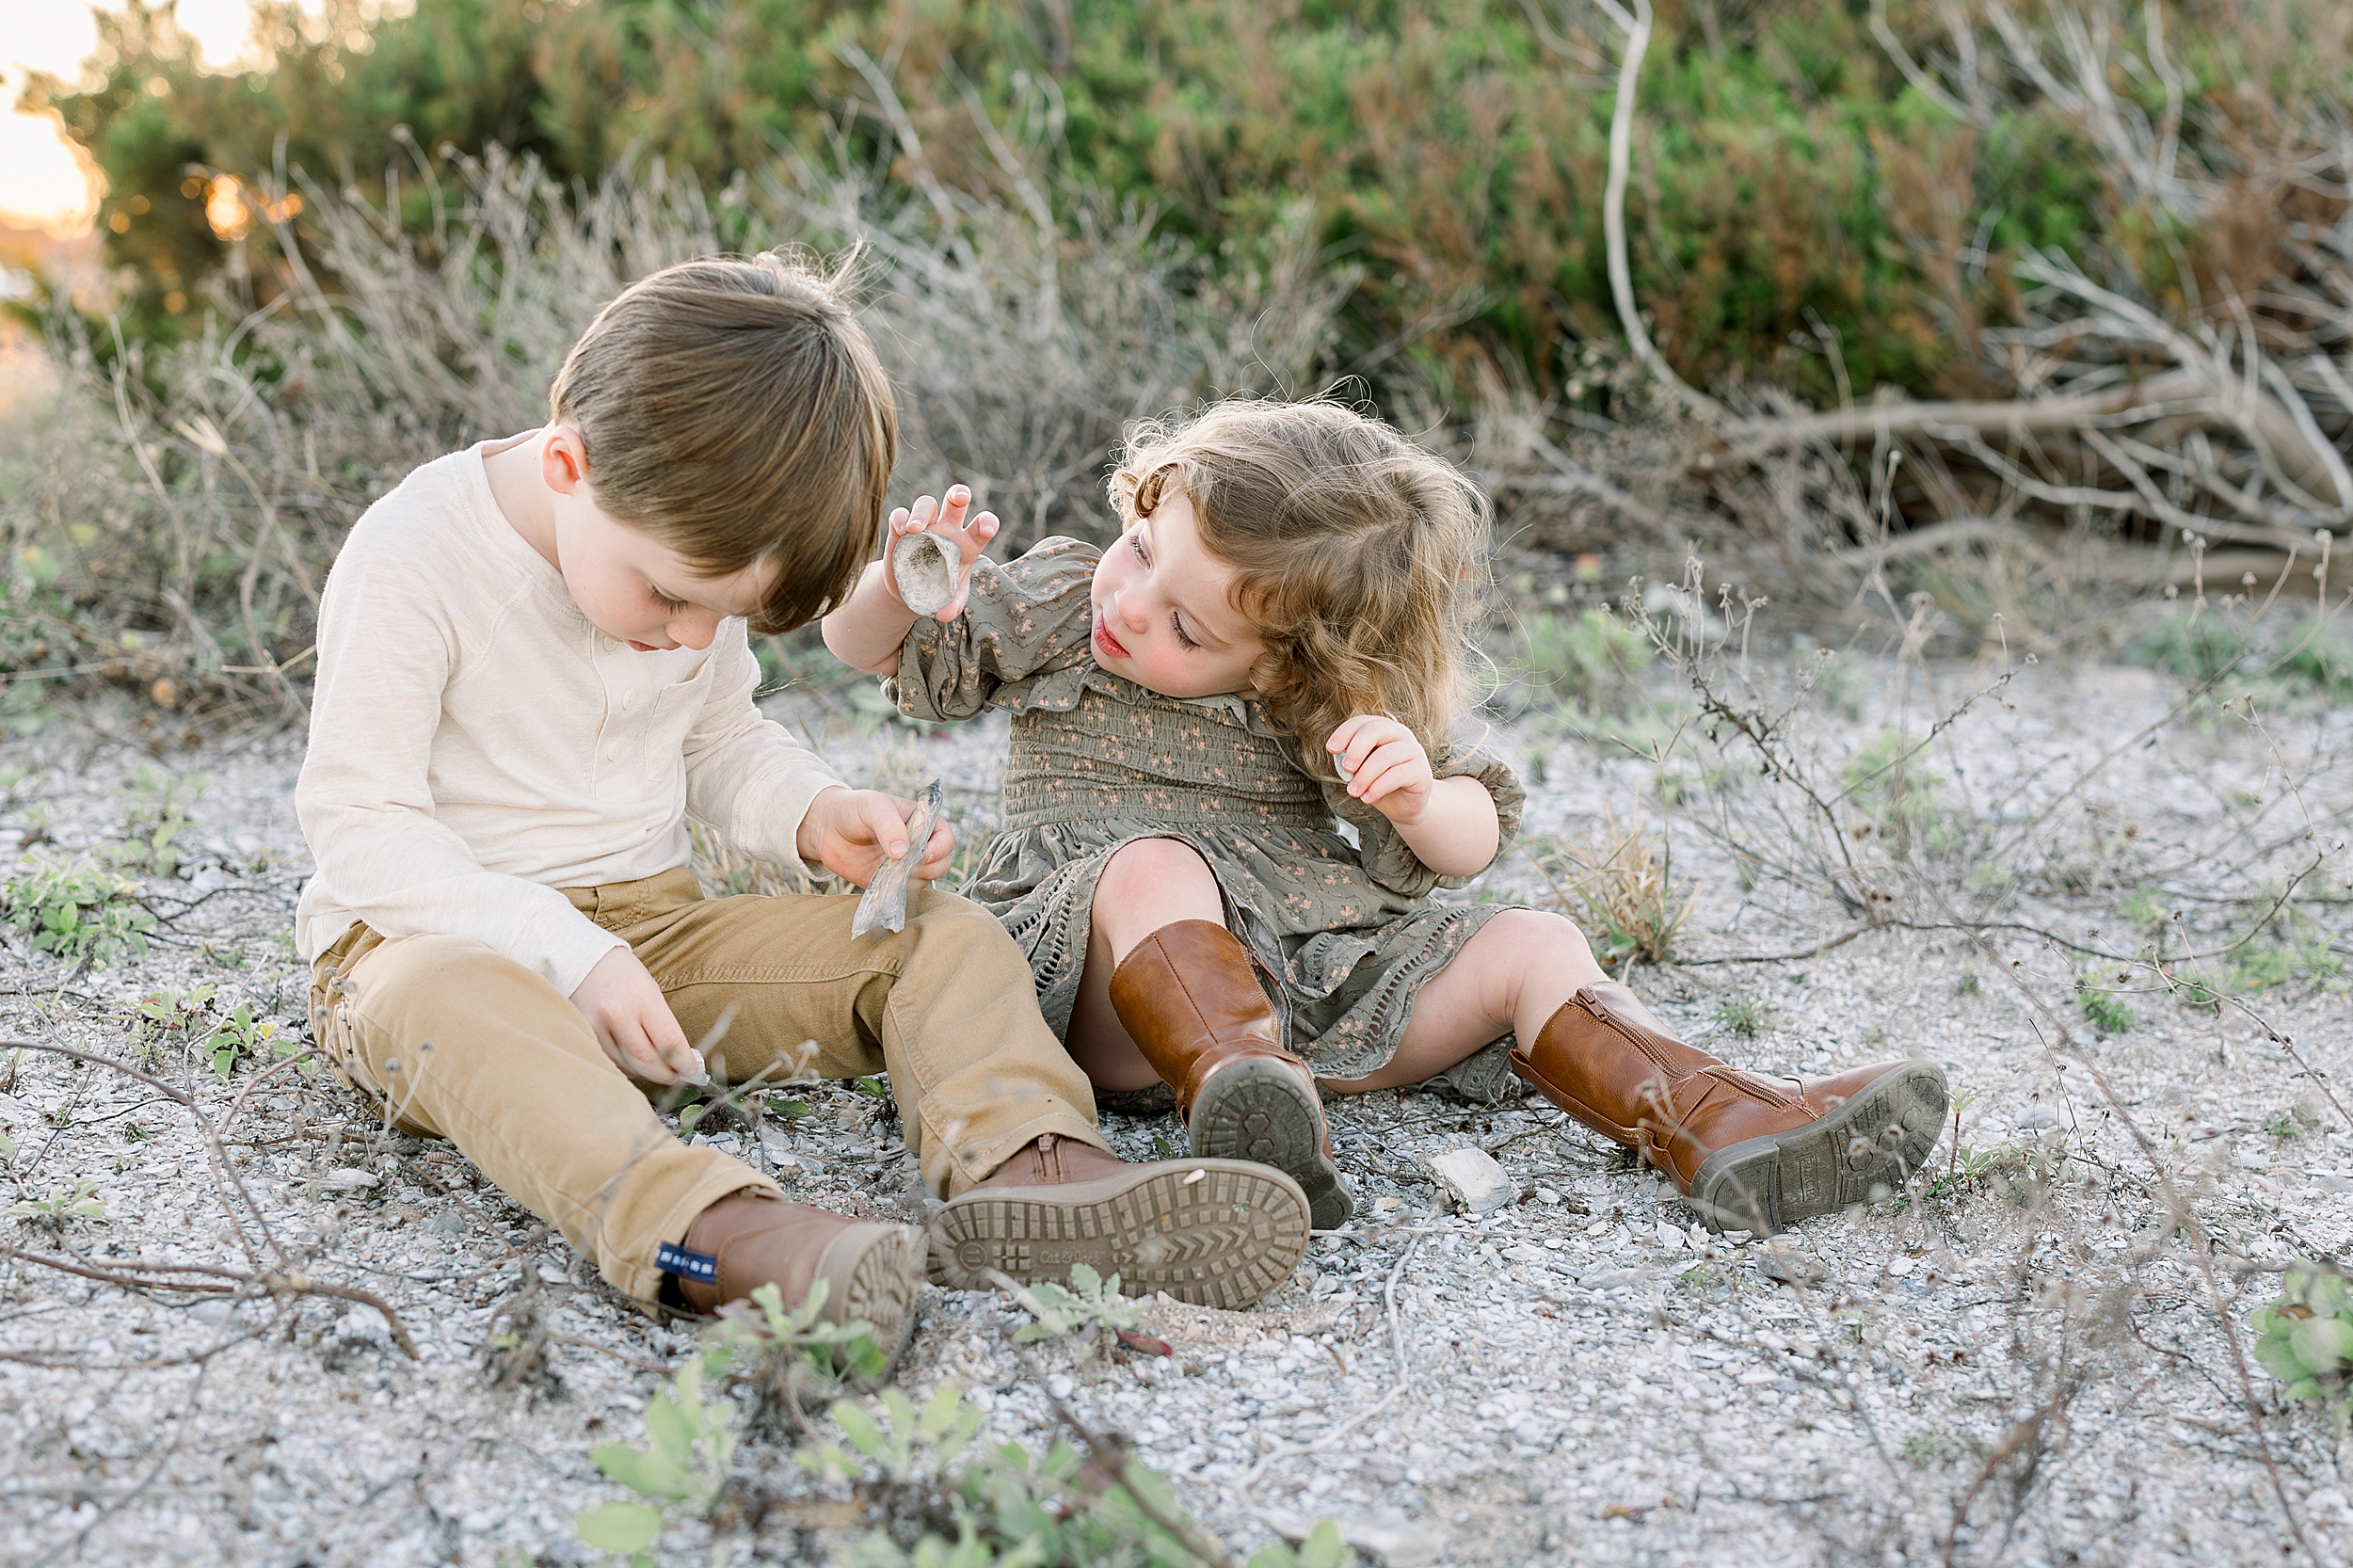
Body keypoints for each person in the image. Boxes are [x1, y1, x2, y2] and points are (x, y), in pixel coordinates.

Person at [296, 257, 1314, 1365]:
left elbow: (722, 739)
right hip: (423, 946)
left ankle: (1030, 1170)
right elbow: (361, 828)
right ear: (566, 463)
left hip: (654, 934)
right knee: (455, 1001)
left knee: (941, 934)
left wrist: (814, 812)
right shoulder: (416, 556)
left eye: (718, 614)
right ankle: (722, 1240)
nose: (689, 635)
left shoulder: (682, 544)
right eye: (672, 596)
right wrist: (561, 949)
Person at [821, 398, 1947, 1236]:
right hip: (1095, 985)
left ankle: (1716, 1119)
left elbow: (1473, 842)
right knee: (1154, 864)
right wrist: (907, 585)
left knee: (1535, 941)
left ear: (1289, 664)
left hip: (1307, 990)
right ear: (1144, 499)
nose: (1131, 607)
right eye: (1142, 553)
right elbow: (871, 651)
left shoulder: (1331, 701)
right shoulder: (1069, 600)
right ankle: (1236, 1097)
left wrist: (1416, 796)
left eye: (1188, 629)